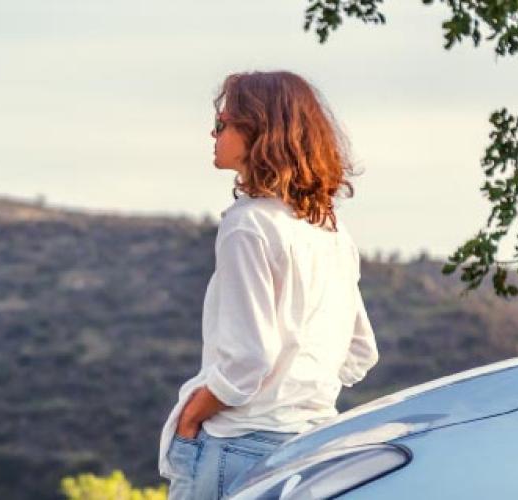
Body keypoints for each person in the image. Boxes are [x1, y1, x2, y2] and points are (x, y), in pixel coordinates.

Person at [157, 70, 380, 500]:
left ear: (259, 129)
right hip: (309, 447)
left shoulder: (248, 225)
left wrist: (191, 416)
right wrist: (299, 387)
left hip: (236, 445)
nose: (213, 132)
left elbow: (249, 359)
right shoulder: (331, 234)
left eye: (223, 124)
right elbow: (359, 352)